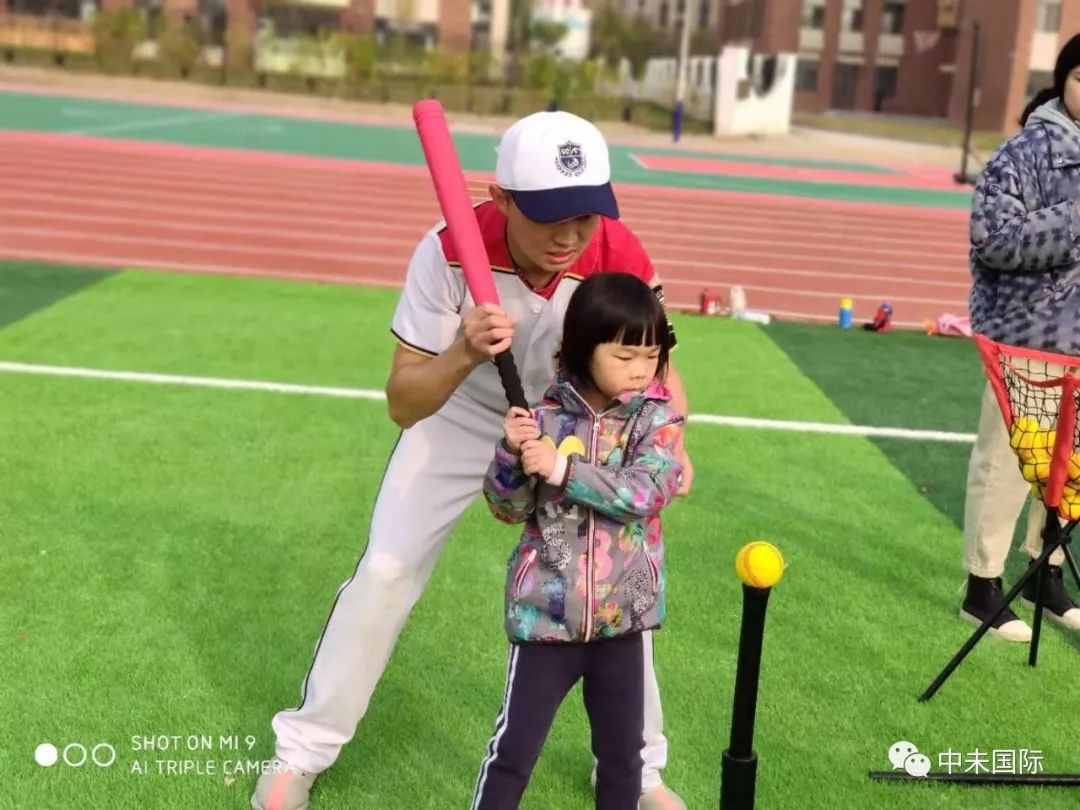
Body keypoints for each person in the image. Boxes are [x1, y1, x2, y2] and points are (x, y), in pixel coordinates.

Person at [252, 110, 694, 810]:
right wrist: (463, 350)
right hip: (461, 411)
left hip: (576, 419)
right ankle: (300, 752)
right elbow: (404, 402)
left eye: (585, 214)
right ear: (501, 198)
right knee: (387, 569)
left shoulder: (617, 250)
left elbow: (657, 367)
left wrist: (673, 439)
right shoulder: (446, 251)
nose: (570, 235)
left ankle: (639, 773)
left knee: (615, 576)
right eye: (549, 216)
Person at [472, 272, 683, 809]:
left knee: (623, 760)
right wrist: (511, 454)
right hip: (545, 620)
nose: (641, 369)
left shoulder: (655, 421)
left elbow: (649, 491)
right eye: (625, 355)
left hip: (621, 623)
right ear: (584, 348)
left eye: (651, 355)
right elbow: (506, 508)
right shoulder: (542, 419)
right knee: (513, 752)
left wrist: (563, 469)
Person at [959, 34, 1080, 641]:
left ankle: (1044, 572)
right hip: (1026, 334)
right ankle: (982, 586)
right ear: (1064, 81)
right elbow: (994, 239)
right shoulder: (1025, 152)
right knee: (1008, 462)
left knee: (1070, 466)